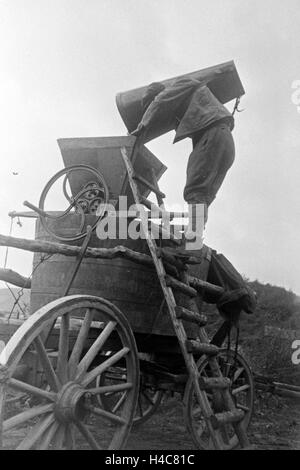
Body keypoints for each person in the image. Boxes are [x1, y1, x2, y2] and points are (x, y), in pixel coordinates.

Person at [131, 77, 236, 251]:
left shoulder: (177, 86)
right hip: (225, 141)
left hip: (213, 136)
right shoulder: (191, 95)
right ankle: (194, 244)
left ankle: (193, 245)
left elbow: (159, 101)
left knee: (195, 191)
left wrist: (140, 129)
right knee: (203, 196)